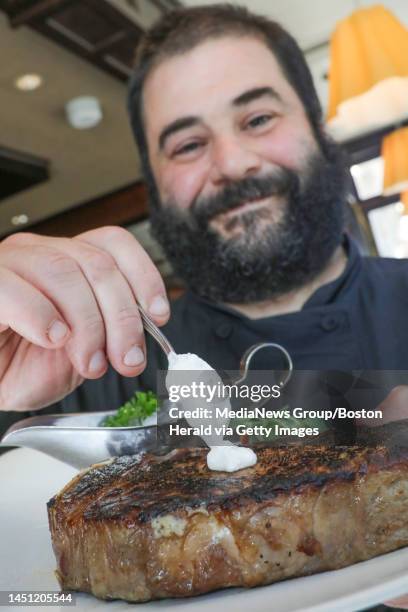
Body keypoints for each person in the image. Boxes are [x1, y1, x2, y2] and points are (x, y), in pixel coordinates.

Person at [0, 4, 407, 608]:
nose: (232, 164)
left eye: (259, 117)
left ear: (319, 126)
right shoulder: (88, 358)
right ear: (154, 182)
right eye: (188, 144)